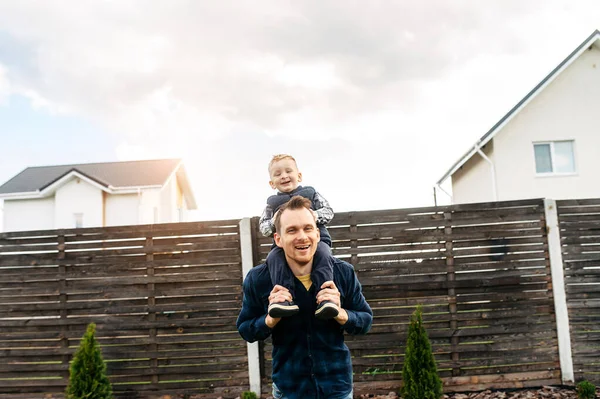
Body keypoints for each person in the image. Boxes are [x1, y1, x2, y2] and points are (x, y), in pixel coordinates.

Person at [237, 196, 373, 399]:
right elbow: (246, 329)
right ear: (278, 239)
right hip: (290, 390)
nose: (302, 236)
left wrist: (341, 313)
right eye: (292, 230)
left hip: (337, 388)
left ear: (318, 234)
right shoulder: (259, 279)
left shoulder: (343, 273)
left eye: (308, 228)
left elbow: (365, 321)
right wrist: (270, 319)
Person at [259, 154, 338, 319]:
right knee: (273, 258)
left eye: (288, 171)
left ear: (299, 175)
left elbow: (329, 212)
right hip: (284, 247)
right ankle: (283, 299)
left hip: (317, 241)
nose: (284, 176)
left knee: (323, 254)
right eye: (278, 174)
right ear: (272, 183)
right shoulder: (271, 204)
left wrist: (311, 216)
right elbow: (263, 228)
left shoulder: (311, 193)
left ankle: (325, 297)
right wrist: (274, 221)